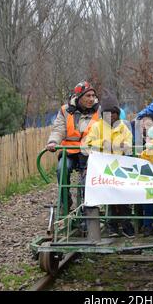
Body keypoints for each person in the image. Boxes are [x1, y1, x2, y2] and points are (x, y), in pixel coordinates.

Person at [84, 89, 135, 239]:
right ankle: (112, 225)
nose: (111, 116)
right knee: (110, 196)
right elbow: (88, 143)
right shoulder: (97, 127)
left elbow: (129, 144)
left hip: (119, 166)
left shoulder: (123, 127)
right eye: (107, 113)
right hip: (102, 167)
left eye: (113, 113)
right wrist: (105, 144)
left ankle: (126, 224)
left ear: (117, 113)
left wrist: (122, 146)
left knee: (123, 196)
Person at [46, 81, 100, 213]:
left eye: (93, 95)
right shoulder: (66, 110)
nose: (91, 99)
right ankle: (65, 199)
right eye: (88, 96)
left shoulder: (99, 111)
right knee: (61, 169)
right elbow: (59, 129)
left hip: (89, 152)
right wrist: (53, 141)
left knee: (86, 179)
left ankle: (87, 205)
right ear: (79, 97)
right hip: (69, 151)